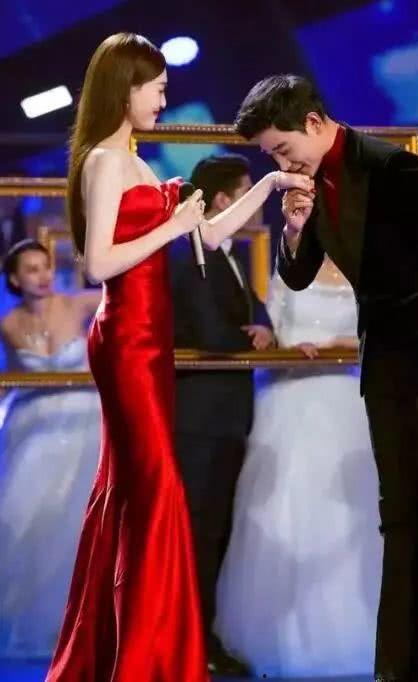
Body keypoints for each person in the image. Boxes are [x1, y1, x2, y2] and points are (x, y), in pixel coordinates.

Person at [45, 35, 312, 682]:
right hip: (126, 341)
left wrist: (270, 183)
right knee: (157, 489)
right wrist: (169, 226)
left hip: (151, 342)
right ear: (127, 87)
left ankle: (130, 653)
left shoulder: (137, 163)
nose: (165, 99)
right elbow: (97, 264)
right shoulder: (105, 162)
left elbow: (210, 235)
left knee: (138, 493)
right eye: (158, 88)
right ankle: (149, 659)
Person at [235, 74, 418, 682]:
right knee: (398, 520)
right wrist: (296, 227)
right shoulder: (310, 182)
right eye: (271, 155)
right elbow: (298, 277)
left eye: (282, 148)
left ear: (314, 122)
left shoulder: (393, 167)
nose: (280, 163)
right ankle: (393, 671)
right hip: (385, 364)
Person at [216, 258, 382, 676]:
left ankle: (359, 628)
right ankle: (283, 633)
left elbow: (380, 335)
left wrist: (337, 346)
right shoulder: (287, 273)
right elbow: (274, 333)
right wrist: (285, 346)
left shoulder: (364, 272)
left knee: (352, 515)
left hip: (346, 400)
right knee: (287, 508)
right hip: (292, 396)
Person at [170, 154, 274, 675]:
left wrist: (264, 329)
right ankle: (183, 643)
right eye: (249, 193)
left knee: (215, 533)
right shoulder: (189, 252)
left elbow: (258, 312)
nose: (259, 205)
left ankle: (202, 640)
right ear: (223, 201)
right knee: (193, 535)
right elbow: (210, 331)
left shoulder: (230, 257)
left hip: (228, 417)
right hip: (198, 419)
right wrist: (248, 338)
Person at [0, 239, 101, 658]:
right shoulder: (7, 324)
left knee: (74, 521)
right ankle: (34, 625)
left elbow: (131, 301)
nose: (42, 276)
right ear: (14, 279)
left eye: (45, 267)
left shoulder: (78, 303)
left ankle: (83, 624)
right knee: (24, 518)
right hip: (33, 427)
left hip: (82, 423)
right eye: (31, 269)